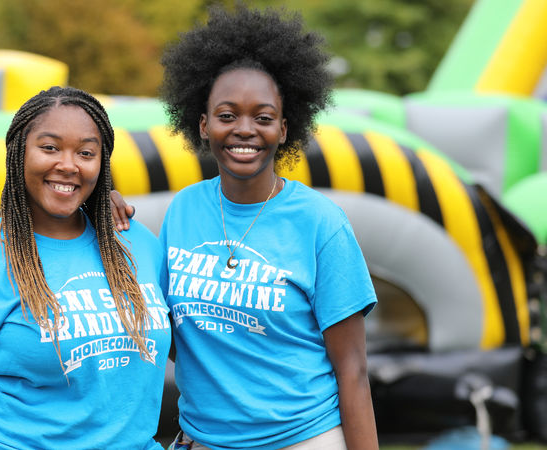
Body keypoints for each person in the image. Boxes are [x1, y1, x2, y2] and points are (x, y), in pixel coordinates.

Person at [113, 6, 378, 450]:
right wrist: (96, 211)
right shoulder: (185, 209)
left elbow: (352, 368)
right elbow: (172, 331)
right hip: (204, 440)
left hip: (303, 439)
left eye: (263, 117)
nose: (244, 130)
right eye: (227, 114)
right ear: (203, 124)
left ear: (284, 127)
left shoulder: (320, 223)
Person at [0, 86, 172, 450]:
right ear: (18, 153)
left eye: (86, 153)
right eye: (49, 148)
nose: (68, 164)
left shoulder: (136, 243)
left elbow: (198, 350)